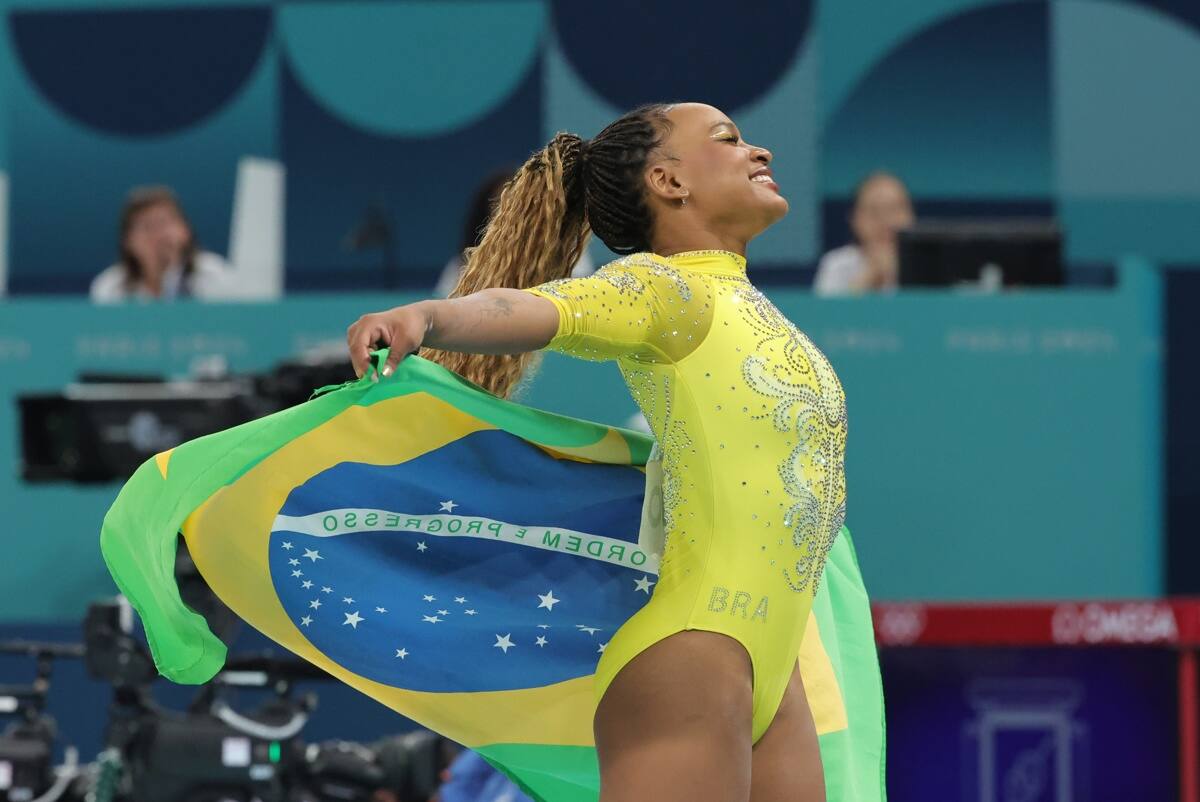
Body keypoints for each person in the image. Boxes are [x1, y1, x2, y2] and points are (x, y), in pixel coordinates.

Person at [346, 102, 848, 802]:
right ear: (669, 181)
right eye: (728, 139)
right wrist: (426, 317)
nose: (759, 151)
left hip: (774, 668)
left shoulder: (743, 302)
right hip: (694, 657)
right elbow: (537, 310)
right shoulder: (667, 290)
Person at [434, 168, 594, 298]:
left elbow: (580, 302)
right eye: (500, 205)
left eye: (520, 204)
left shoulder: (568, 253)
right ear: (485, 215)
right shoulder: (462, 267)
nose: (511, 214)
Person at [90, 185, 233, 303]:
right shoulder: (110, 287)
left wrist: (173, 274)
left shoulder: (214, 275)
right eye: (147, 227)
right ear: (127, 241)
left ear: (186, 231)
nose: (158, 235)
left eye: (164, 223)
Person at [813, 171, 914, 296]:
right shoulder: (836, 265)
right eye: (874, 211)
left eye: (894, 209)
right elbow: (826, 308)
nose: (885, 221)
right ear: (854, 219)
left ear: (911, 216)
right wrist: (868, 278)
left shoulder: (929, 264)